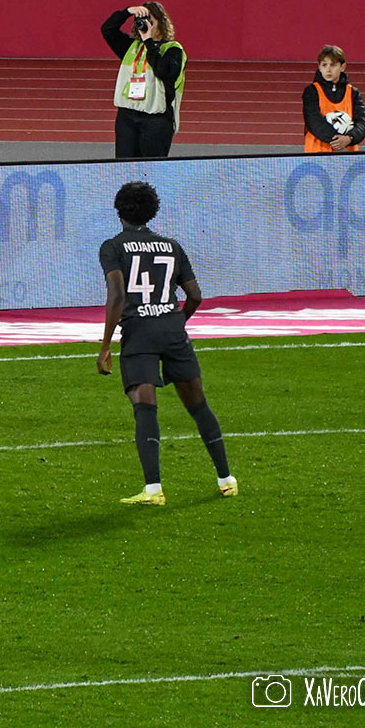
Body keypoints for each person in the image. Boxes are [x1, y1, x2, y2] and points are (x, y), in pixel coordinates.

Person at [96, 181, 238, 505]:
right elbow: (195, 295)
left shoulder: (113, 247)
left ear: (119, 212)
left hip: (139, 333)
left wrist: (105, 346)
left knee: (145, 406)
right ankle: (226, 479)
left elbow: (117, 296)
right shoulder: (171, 246)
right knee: (198, 405)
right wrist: (175, 321)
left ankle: (153, 489)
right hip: (172, 331)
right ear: (152, 212)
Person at [102, 2, 186, 159]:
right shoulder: (131, 47)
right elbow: (107, 29)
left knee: (151, 168)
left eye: (150, 21)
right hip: (127, 117)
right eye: (141, 20)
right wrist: (127, 12)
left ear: (161, 22)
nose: (145, 24)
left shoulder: (173, 50)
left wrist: (149, 42)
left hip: (156, 119)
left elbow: (164, 70)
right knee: (125, 166)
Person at [302, 44, 365, 153]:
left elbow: (363, 122)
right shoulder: (312, 92)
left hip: (347, 156)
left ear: (342, 67)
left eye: (333, 65)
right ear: (319, 67)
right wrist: (338, 141)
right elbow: (313, 121)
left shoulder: (353, 93)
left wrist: (349, 138)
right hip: (317, 155)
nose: (328, 70)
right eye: (324, 65)